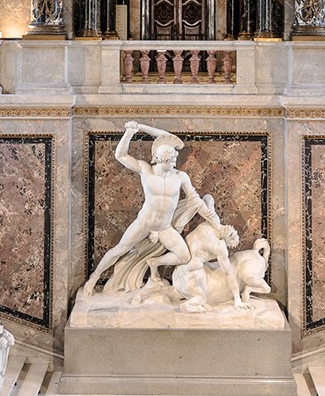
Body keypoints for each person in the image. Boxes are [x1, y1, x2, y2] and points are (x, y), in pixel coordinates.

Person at [81, 121, 223, 295]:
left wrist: (216, 223)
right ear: (160, 158)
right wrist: (131, 132)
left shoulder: (180, 177)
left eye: (175, 158)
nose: (175, 160)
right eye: (171, 158)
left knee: (184, 256)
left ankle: (153, 262)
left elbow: (196, 201)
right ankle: (94, 278)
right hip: (144, 223)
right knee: (120, 249)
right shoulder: (145, 169)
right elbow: (121, 155)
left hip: (164, 228)